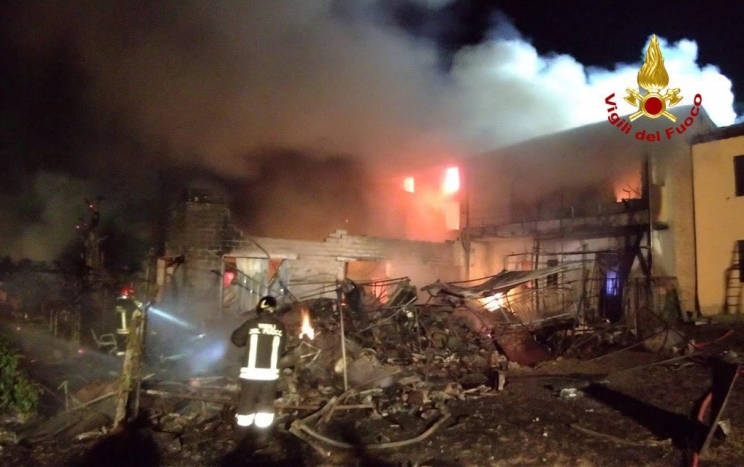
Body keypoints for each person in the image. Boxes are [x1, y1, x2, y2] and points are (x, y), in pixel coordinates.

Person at [230, 295, 287, 429]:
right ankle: (262, 432)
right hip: (270, 374)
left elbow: (236, 339)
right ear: (274, 309)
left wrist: (248, 341)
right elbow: (283, 346)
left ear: (259, 308)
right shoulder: (280, 326)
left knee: (246, 402)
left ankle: (242, 430)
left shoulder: (251, 324)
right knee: (266, 404)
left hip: (251, 373)